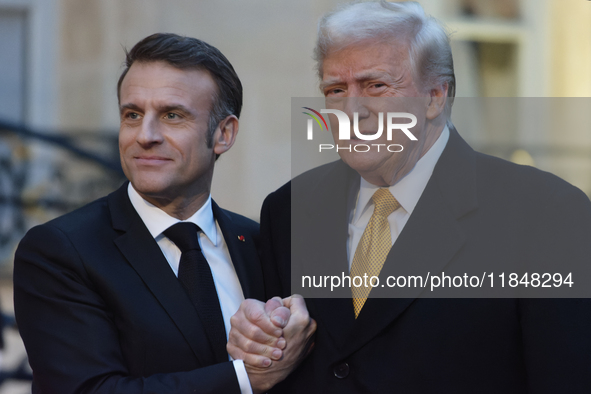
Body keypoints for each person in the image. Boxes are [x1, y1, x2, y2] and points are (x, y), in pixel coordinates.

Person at [228, 1, 591, 392]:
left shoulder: (546, 213)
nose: (351, 110)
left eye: (376, 86)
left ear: (435, 96)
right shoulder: (289, 209)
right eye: (335, 89)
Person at [14, 33, 269, 393]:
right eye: (132, 114)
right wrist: (248, 377)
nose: (145, 135)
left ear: (223, 134)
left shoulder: (260, 243)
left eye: (172, 115)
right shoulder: (60, 251)